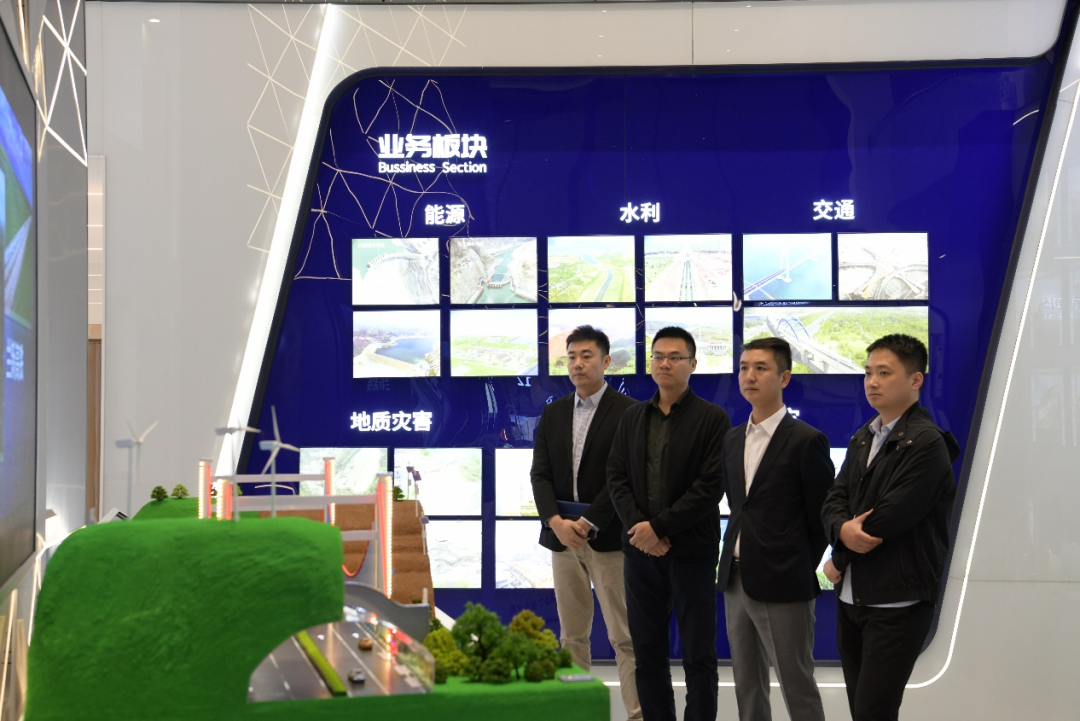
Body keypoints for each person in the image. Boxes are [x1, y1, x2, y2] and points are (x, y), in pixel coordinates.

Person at [821, 334, 959, 721]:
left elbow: (889, 517)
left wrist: (838, 558)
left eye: (884, 373)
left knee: (874, 711)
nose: (872, 382)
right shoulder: (863, 437)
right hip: (852, 599)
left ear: (915, 380)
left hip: (897, 602)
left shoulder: (927, 443)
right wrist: (841, 532)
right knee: (862, 710)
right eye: (868, 373)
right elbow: (834, 499)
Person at [607, 326, 731, 721]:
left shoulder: (713, 419)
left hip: (691, 552)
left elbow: (709, 487)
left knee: (698, 655)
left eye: (675, 357)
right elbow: (616, 477)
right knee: (647, 655)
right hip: (640, 555)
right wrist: (640, 529)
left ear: (692, 364)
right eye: (658, 356)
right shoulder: (632, 417)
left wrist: (658, 528)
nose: (665, 363)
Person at [717, 337, 833, 721]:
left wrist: (792, 564)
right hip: (735, 579)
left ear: (784, 377)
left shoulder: (807, 441)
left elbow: (821, 519)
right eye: (744, 368)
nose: (749, 376)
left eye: (760, 368)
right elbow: (739, 508)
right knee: (747, 685)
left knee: (796, 685)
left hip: (784, 582)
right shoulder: (732, 439)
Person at [530, 325, 641, 720]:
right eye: (571, 357)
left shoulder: (629, 412)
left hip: (608, 539)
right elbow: (540, 474)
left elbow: (625, 477)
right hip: (563, 540)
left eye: (586, 356)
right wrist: (555, 522)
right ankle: (575, 712)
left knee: (625, 638)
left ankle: (637, 714)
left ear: (606, 361)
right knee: (572, 636)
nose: (577, 364)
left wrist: (590, 520)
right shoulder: (554, 411)